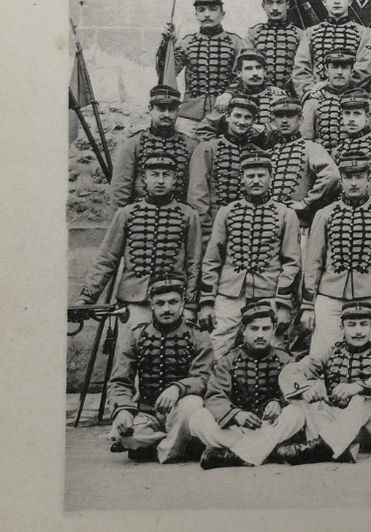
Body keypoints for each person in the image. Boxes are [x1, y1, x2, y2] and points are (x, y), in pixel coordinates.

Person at [81, 153, 203, 357]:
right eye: (155, 174)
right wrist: (88, 296)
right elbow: (107, 258)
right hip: (134, 299)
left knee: (169, 358)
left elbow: (194, 262)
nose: (161, 180)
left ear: (175, 180)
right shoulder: (127, 213)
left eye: (167, 175)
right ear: (144, 178)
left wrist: (189, 303)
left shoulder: (188, 215)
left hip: (171, 301)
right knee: (127, 356)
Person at [197, 153, 302, 351]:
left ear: (271, 178)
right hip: (229, 293)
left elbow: (292, 263)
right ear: (241, 178)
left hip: (269, 293)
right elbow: (212, 260)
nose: (256, 181)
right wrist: (207, 302)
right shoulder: (227, 211)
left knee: (273, 349)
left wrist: (283, 305)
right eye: (250, 176)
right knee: (215, 348)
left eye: (261, 175)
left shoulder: (286, 214)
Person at [104, 275, 214, 463]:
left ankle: (161, 450)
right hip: (148, 414)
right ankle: (179, 444)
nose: (167, 309)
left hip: (181, 412)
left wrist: (177, 388)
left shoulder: (198, 335)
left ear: (182, 303)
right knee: (121, 432)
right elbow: (120, 381)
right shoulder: (137, 335)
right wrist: (123, 410)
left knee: (192, 404)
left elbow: (204, 378)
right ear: (151, 305)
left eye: (173, 302)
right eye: (160, 303)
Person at [189, 300, 307, 468]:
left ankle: (237, 455)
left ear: (274, 330)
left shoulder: (286, 360)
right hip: (237, 430)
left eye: (266, 329)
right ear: (243, 331)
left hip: (270, 426)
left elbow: (296, 391)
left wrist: (278, 403)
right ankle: (263, 450)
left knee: (296, 413)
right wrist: (235, 414)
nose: (260, 335)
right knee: (197, 418)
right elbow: (215, 396)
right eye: (254, 328)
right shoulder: (228, 361)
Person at [300, 156, 371, 359]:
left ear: (369, 179)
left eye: (359, 177)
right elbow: (313, 263)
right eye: (348, 177)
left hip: (369, 297)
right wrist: (308, 306)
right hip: (330, 297)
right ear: (341, 180)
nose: (353, 183)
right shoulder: (324, 215)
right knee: (321, 356)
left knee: (368, 358)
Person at [278, 301, 371, 463]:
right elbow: (290, 371)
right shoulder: (331, 352)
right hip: (334, 420)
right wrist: (305, 389)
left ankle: (323, 448)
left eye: (364, 324)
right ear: (342, 327)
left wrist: (357, 387)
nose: (358, 331)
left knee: (367, 399)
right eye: (351, 325)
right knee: (306, 398)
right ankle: (338, 449)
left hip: (367, 431)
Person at [186, 94, 263, 243]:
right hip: (213, 229)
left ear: (254, 121)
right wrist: (208, 233)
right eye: (237, 116)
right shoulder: (208, 149)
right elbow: (197, 195)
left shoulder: (258, 153)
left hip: (249, 232)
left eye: (247, 118)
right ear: (227, 117)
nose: (242, 122)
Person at [164, 0, 249, 121]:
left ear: (222, 14)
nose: (207, 15)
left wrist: (229, 93)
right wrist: (166, 45)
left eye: (213, 9)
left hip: (223, 115)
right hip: (190, 115)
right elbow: (167, 73)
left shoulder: (236, 42)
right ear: (196, 15)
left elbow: (245, 75)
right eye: (201, 10)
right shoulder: (187, 42)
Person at [107, 84, 196, 209]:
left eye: (171, 110)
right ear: (150, 109)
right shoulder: (133, 144)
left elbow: (195, 190)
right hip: (141, 218)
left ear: (178, 111)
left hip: (177, 218)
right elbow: (120, 190)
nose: (167, 114)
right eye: (161, 109)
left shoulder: (190, 146)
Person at [291, 0, 371, 95]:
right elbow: (301, 67)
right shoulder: (311, 32)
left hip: (353, 95)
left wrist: (334, 86)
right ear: (324, 2)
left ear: (350, 1)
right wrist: (310, 92)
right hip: (317, 95)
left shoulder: (364, 33)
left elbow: (365, 67)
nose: (336, 1)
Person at [263, 98, 339, 224]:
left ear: (301, 120)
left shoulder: (311, 148)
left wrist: (306, 202)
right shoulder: (270, 153)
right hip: (270, 223)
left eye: (290, 116)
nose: (285, 121)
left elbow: (332, 176)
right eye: (280, 116)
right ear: (274, 121)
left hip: (300, 223)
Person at [194, 48, 290, 146]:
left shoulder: (279, 98)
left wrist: (266, 129)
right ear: (239, 73)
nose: (255, 73)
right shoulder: (228, 100)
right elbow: (204, 130)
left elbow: (292, 131)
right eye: (249, 68)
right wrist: (221, 148)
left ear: (265, 71)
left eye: (258, 68)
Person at [244, 0, 302, 94]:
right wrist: (267, 86)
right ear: (263, 6)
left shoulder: (300, 35)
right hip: (259, 94)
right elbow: (248, 65)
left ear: (288, 5)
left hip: (291, 96)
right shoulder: (253, 34)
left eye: (279, 2)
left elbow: (304, 68)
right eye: (269, 3)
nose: (274, 8)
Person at [300, 49, 360, 154]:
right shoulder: (312, 102)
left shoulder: (362, 101)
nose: (339, 72)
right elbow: (306, 142)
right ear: (326, 71)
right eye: (334, 67)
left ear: (352, 72)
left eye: (345, 68)